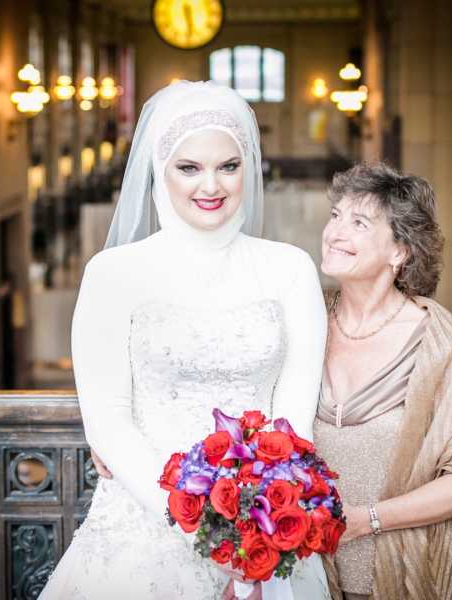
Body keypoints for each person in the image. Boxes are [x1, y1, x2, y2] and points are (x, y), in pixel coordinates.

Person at [38, 81, 330, 600]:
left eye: (228, 166)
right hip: (143, 524)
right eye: (189, 168)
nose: (211, 185)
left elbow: (292, 422)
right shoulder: (112, 273)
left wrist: (252, 543)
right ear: (159, 169)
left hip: (261, 526)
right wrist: (210, 535)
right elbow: (108, 421)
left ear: (249, 170)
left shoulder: (290, 269)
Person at [313, 163, 452, 600]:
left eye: (359, 223)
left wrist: (368, 519)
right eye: (336, 216)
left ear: (400, 251)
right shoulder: (307, 317)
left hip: (410, 573)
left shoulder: (440, 340)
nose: (336, 232)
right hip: (310, 575)